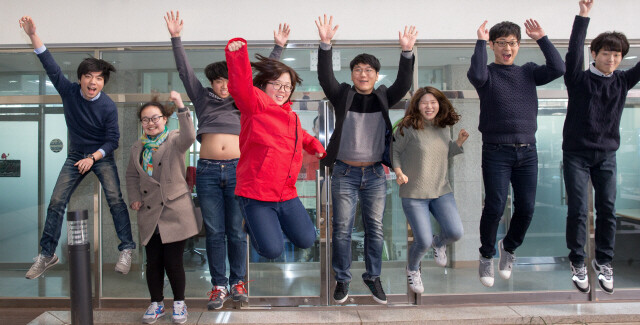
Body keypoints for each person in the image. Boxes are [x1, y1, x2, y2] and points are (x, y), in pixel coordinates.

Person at [164, 11, 291, 310]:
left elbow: (261, 77)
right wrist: (176, 38)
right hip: (207, 171)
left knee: (236, 229)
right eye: (219, 81)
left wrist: (279, 48)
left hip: (238, 170)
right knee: (215, 230)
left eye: (228, 80)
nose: (224, 86)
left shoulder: (244, 100)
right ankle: (218, 285)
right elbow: (184, 71)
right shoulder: (203, 98)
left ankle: (238, 282)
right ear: (212, 82)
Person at [19, 16, 136, 280]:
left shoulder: (107, 106)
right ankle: (47, 254)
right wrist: (33, 36)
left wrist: (94, 158)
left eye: (98, 78)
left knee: (115, 200)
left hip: (101, 156)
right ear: (81, 79)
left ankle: (127, 248)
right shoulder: (69, 92)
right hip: (75, 154)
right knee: (56, 201)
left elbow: (113, 140)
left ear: (104, 82)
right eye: (88, 76)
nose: (93, 82)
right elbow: (49, 64)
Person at [315, 14, 417, 304]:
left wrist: (407, 52)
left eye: (369, 70)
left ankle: (372, 277)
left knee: (375, 229)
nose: (363, 74)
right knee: (342, 230)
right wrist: (325, 44)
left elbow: (404, 81)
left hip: (374, 174)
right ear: (352, 75)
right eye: (358, 70)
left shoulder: (384, 97)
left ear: (375, 75)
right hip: (345, 173)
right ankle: (343, 280)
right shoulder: (342, 96)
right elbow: (325, 78)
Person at [467, 18, 565, 287]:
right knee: (496, 206)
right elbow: (475, 74)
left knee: (527, 207)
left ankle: (508, 247)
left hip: (528, 152)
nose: (507, 47)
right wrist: (478, 41)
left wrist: (542, 38)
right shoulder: (487, 74)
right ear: (493, 46)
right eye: (501, 43)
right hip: (496, 151)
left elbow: (558, 68)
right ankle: (486, 255)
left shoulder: (529, 72)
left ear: (519, 46)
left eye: (512, 43)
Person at [225, 38, 326, 264]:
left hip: (286, 192)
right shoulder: (255, 106)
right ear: (264, 85)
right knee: (271, 250)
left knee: (307, 239)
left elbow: (302, 134)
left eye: (287, 86)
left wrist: (314, 145)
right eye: (276, 84)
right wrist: (237, 56)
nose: (282, 90)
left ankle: (267, 223)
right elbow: (240, 86)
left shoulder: (291, 115)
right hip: (257, 193)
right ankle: (254, 221)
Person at [563, 0, 640, 295]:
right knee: (579, 209)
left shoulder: (622, 81)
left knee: (608, 209)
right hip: (576, 154)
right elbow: (572, 52)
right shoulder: (578, 79)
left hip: (607, 154)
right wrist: (583, 17)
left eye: (617, 54)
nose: (611, 59)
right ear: (594, 54)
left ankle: (604, 262)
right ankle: (578, 261)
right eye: (606, 53)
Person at [126, 91, 198, 324]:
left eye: (155, 118)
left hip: (174, 210)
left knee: (173, 261)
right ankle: (156, 304)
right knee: (153, 261)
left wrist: (180, 105)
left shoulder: (175, 139)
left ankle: (179, 304)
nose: (151, 123)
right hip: (149, 211)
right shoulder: (137, 147)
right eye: (146, 119)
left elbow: (190, 135)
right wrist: (135, 196)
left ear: (165, 119)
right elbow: (130, 176)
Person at [392, 86, 468, 294]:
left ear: (439, 104)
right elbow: (395, 153)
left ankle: (439, 242)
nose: (429, 106)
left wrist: (459, 143)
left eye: (433, 102)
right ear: (417, 105)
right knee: (422, 240)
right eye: (424, 102)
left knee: (455, 232)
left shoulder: (443, 127)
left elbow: (444, 153)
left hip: (441, 190)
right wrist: (399, 172)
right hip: (414, 193)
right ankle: (413, 269)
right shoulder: (407, 127)